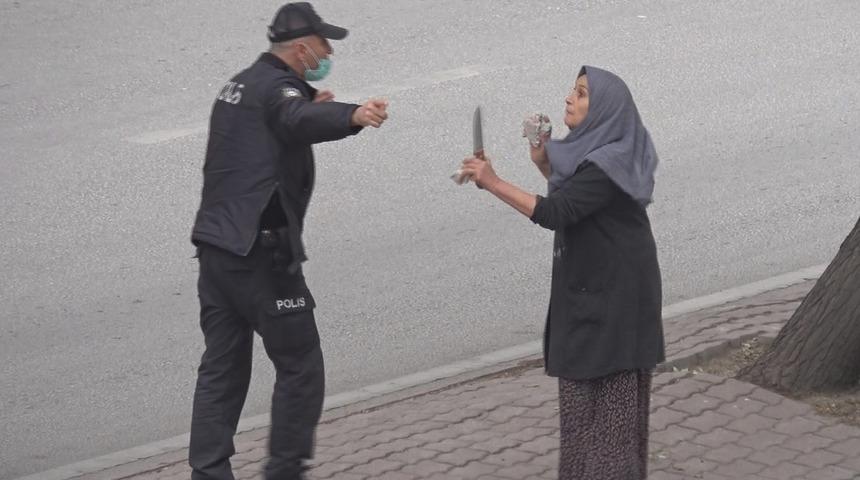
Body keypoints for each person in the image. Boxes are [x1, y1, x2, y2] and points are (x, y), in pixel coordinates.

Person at [187, 3, 388, 479]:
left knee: (221, 371)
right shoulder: (280, 91)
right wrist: (353, 115)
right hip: (260, 252)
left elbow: (282, 124)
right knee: (301, 366)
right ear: (301, 48)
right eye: (324, 44)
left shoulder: (240, 84)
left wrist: (313, 110)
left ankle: (208, 473)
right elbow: (292, 117)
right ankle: (285, 471)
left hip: (216, 249)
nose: (329, 52)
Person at [459, 66, 664, 479]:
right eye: (573, 90)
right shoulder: (598, 159)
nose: (570, 98)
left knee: (610, 432)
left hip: (615, 311)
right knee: (579, 423)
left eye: (582, 93)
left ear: (605, 111)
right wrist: (544, 161)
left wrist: (494, 182)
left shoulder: (609, 164)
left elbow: (559, 211)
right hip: (593, 299)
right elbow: (576, 197)